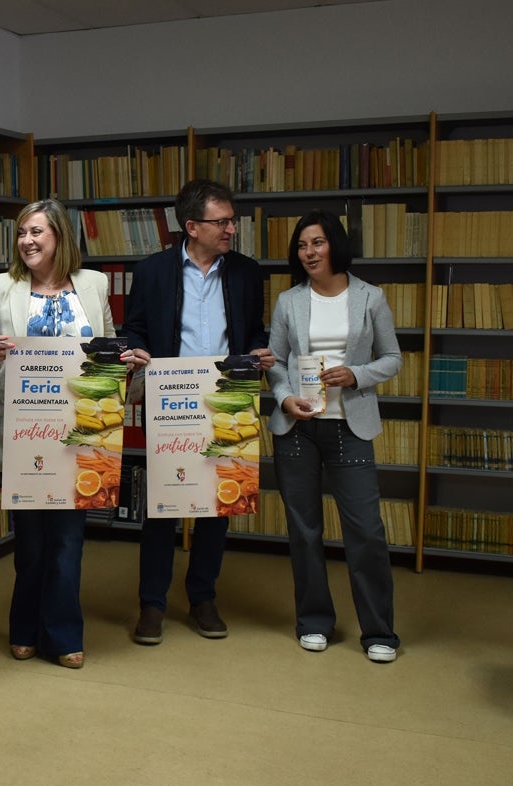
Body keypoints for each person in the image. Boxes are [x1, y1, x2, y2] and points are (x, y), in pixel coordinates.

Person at [120, 178, 274, 646]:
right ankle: (152, 604)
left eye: (232, 220)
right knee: (162, 508)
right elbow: (135, 329)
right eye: (221, 221)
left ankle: (203, 597)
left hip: (228, 399)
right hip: (172, 402)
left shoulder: (248, 272)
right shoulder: (152, 272)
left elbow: (254, 331)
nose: (231, 229)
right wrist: (137, 352)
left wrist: (259, 353)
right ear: (192, 226)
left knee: (217, 504)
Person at [0, 199, 116, 669]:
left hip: (80, 431)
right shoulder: (1, 287)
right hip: (23, 434)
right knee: (31, 544)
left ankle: (63, 633)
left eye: (37, 232)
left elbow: (107, 346)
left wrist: (124, 361)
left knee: (69, 543)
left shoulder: (94, 284)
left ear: (60, 237)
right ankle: (24, 627)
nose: (27, 241)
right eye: (21, 233)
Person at [267, 210, 402, 663]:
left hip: (350, 425)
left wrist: (357, 374)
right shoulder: (289, 301)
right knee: (304, 531)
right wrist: (284, 399)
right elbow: (279, 364)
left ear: (335, 246)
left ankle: (379, 631)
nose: (310, 252)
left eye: (318, 243)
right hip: (299, 429)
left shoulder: (371, 298)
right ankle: (314, 622)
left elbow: (393, 359)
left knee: (365, 531)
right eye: (303, 245)